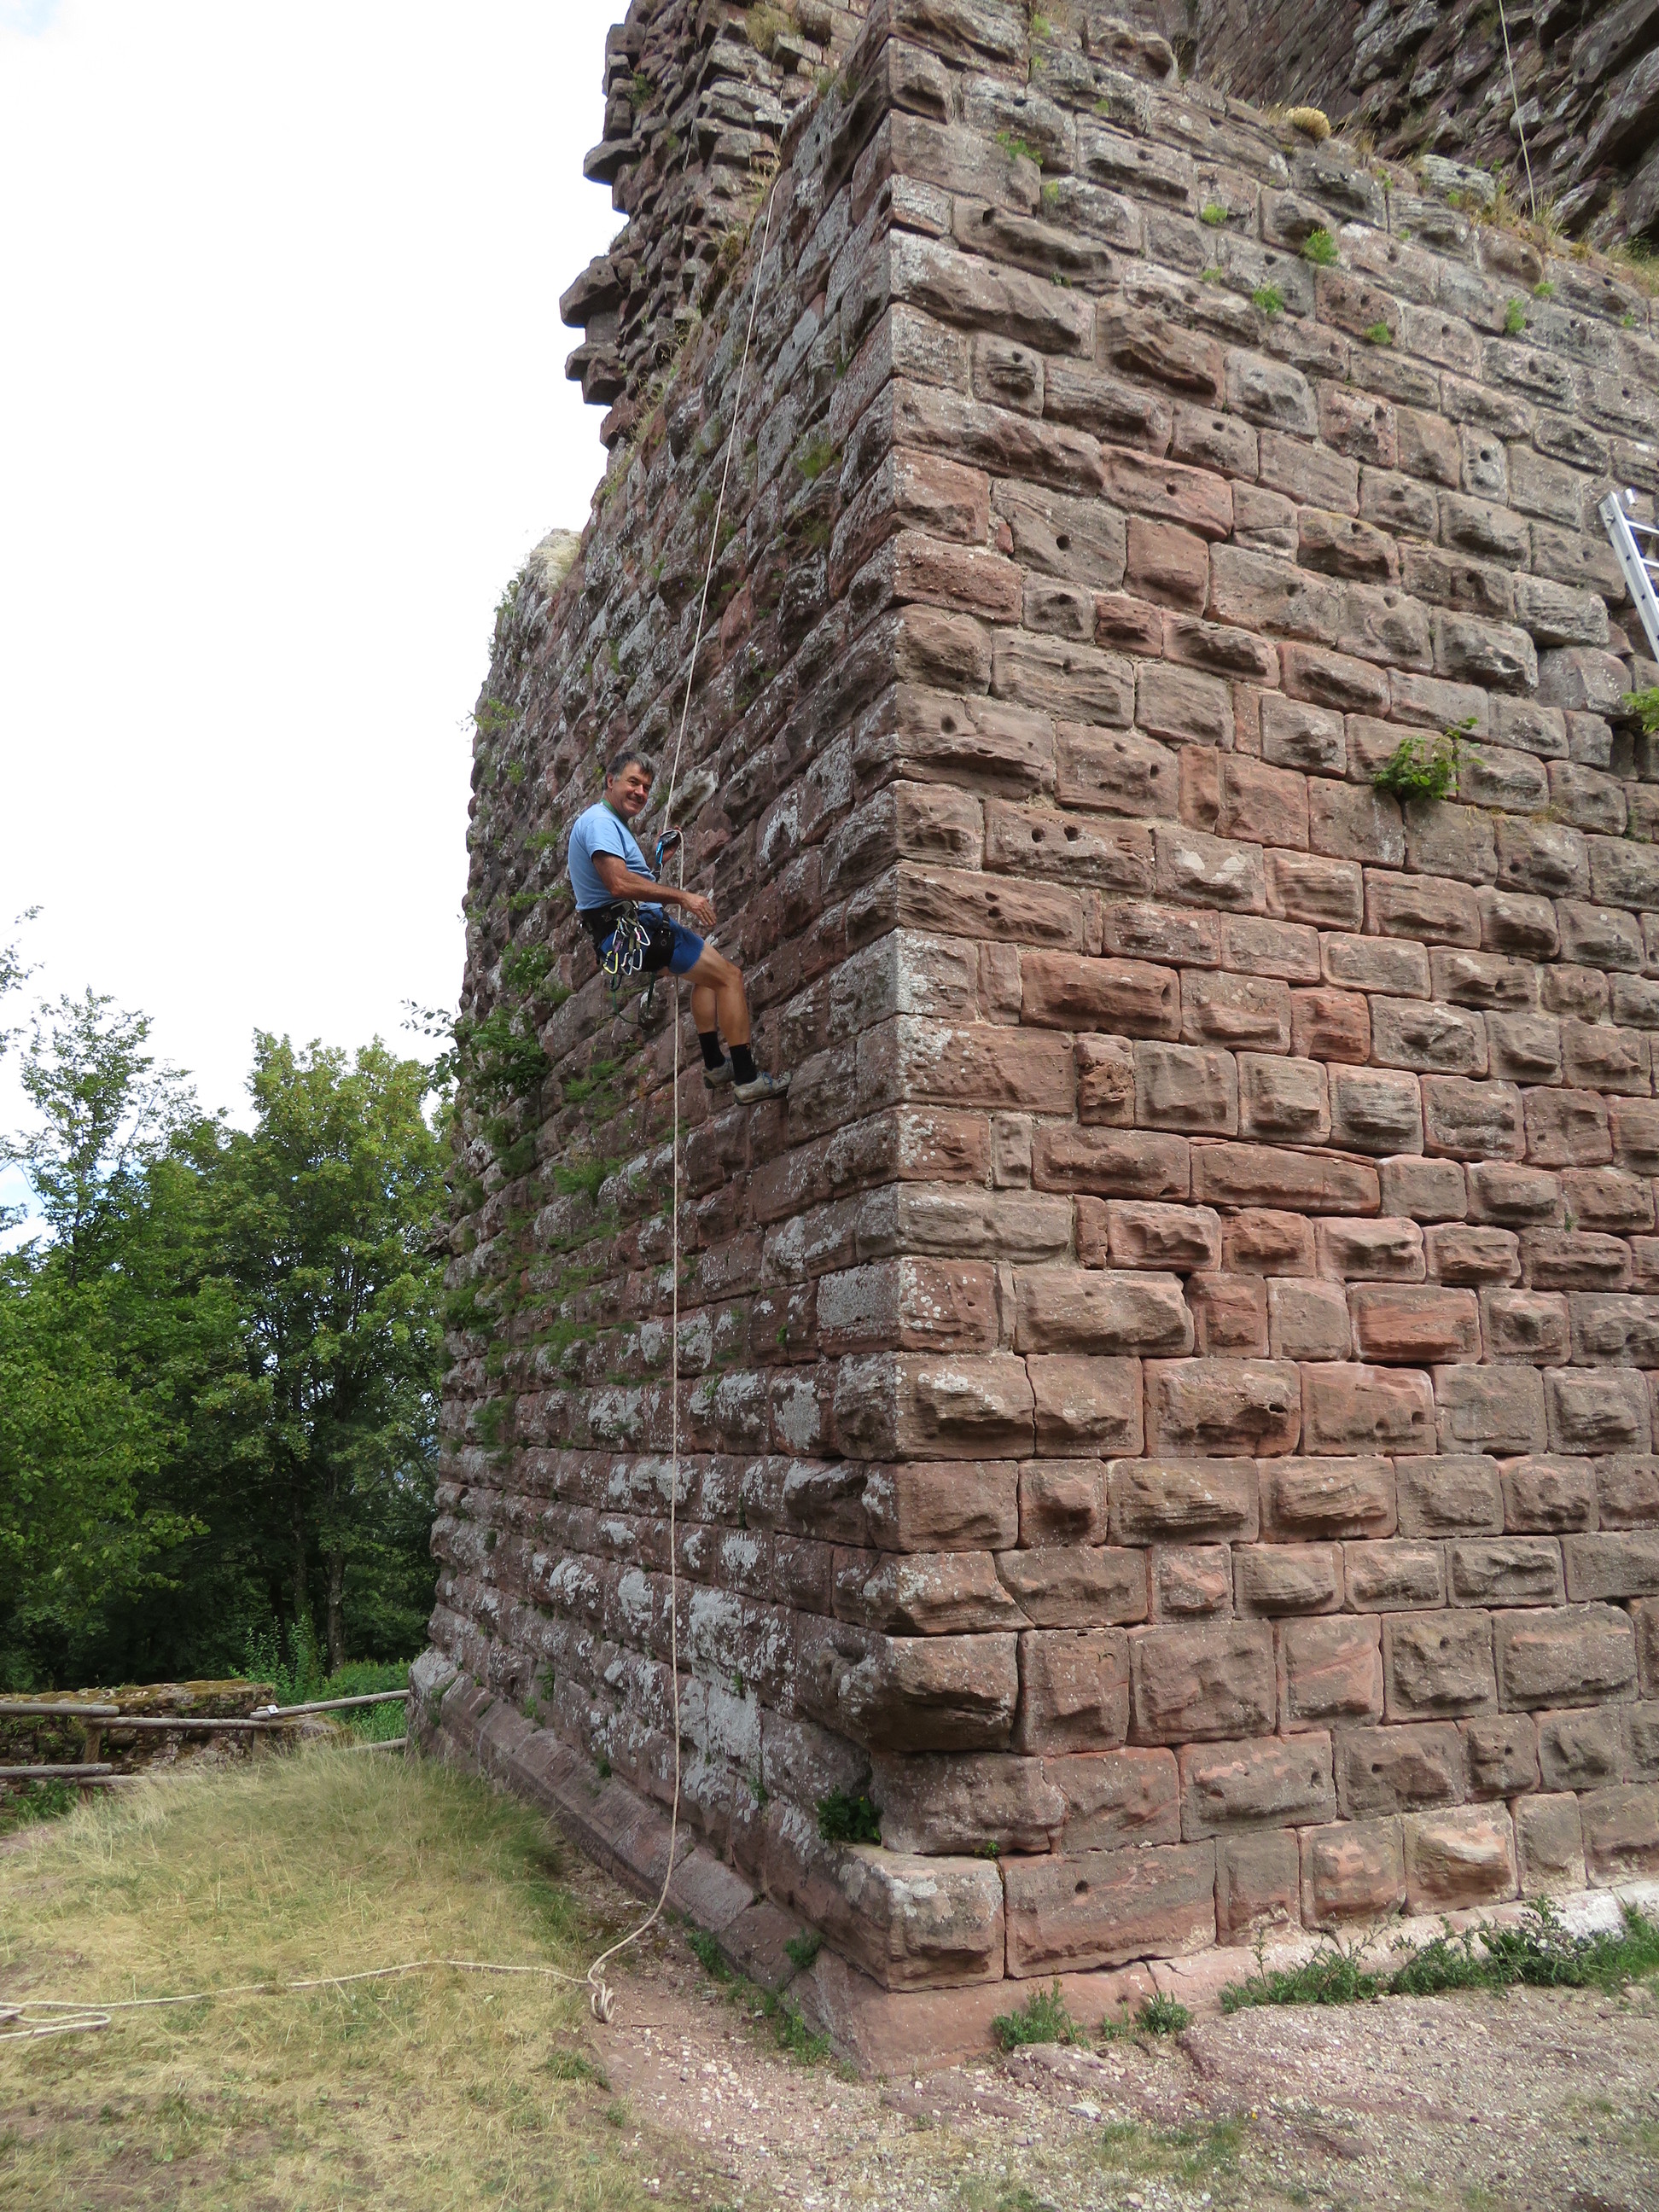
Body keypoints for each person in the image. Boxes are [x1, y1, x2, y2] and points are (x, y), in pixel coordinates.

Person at [566, 748, 790, 1105]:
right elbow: (618, 885)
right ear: (610, 781)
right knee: (729, 978)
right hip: (640, 932)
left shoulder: (609, 825)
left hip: (628, 935)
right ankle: (747, 1079)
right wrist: (683, 897)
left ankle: (716, 1066)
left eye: (646, 787)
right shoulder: (599, 822)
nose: (640, 792)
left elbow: (629, 885)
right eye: (633, 782)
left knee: (708, 977)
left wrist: (656, 862)